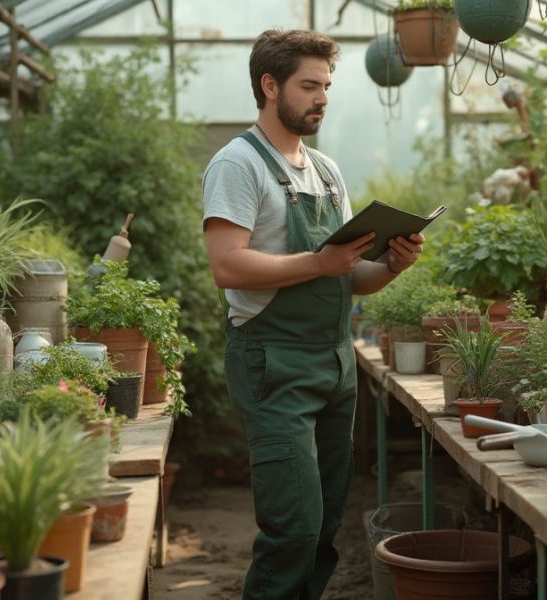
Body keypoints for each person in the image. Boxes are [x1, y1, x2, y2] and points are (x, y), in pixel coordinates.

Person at [200, 29, 424, 600]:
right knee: (293, 528)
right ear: (269, 86)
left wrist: (394, 264)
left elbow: (350, 277)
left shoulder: (326, 171)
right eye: (309, 86)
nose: (322, 97)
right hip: (273, 365)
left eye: (326, 85)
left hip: (333, 363)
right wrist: (320, 262)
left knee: (323, 526)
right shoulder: (237, 165)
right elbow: (227, 266)